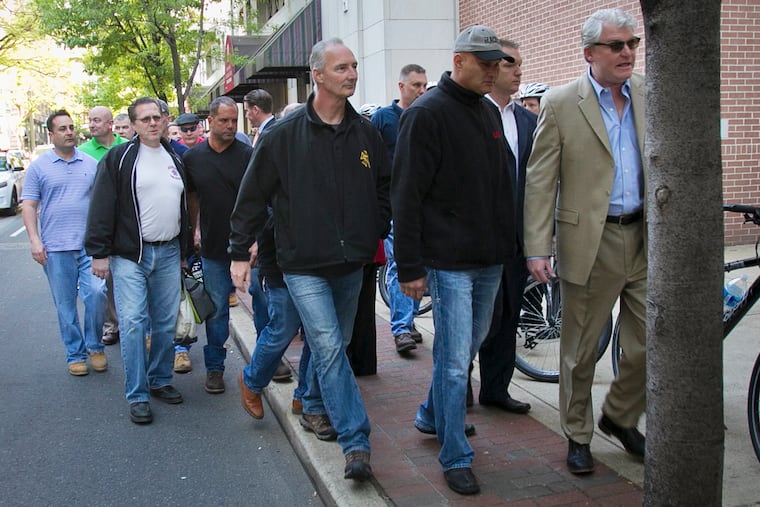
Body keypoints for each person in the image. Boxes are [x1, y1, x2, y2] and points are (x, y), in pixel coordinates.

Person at [230, 37, 391, 482]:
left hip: (351, 262)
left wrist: (374, 227)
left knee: (336, 344)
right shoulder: (283, 134)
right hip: (302, 265)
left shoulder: (366, 133)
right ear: (317, 75)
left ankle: (314, 401)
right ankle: (355, 441)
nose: (352, 74)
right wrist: (238, 252)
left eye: (354, 66)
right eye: (342, 68)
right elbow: (251, 196)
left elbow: (384, 186)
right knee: (327, 346)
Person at [392, 25, 516, 495]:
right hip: (448, 262)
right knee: (452, 359)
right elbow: (406, 195)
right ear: (459, 61)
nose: (493, 71)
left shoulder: (487, 110)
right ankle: (455, 454)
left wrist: (512, 245)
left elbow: (500, 184)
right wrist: (410, 266)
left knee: (465, 348)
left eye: (498, 64)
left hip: (490, 257)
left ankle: (431, 414)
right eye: (485, 63)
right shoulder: (425, 114)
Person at [524, 8, 647, 474]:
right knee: (580, 351)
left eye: (632, 43)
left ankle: (619, 416)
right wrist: (538, 247)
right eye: (617, 45)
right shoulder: (560, 103)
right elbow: (540, 181)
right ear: (589, 53)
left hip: (644, 238)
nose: (627, 52)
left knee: (647, 343)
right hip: (589, 242)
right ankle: (578, 434)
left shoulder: (648, 93)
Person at [85, 97, 192, 425]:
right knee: (132, 322)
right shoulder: (119, 158)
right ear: (132, 125)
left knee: (165, 322)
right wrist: (99, 253)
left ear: (164, 119)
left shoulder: (175, 156)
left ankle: (159, 379)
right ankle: (138, 394)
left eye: (156, 117)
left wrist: (184, 252)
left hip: (169, 251)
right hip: (130, 255)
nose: (152, 123)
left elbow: (184, 206)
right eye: (144, 119)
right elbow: (101, 205)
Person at [21, 110, 107, 376]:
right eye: (62, 129)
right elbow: (29, 205)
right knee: (65, 305)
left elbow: (102, 203)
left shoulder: (90, 163)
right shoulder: (39, 167)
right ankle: (75, 354)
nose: (69, 132)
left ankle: (95, 346)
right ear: (51, 134)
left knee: (97, 294)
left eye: (71, 127)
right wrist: (35, 241)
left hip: (89, 246)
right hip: (56, 248)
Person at [474, 39, 535, 415]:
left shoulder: (528, 120)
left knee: (509, 315)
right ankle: (456, 392)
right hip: (477, 242)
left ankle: (496, 388)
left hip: (516, 239)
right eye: (510, 63)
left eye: (520, 64)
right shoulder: (469, 113)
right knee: (475, 320)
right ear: (492, 66)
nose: (518, 71)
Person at [183, 96, 253, 394]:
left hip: (249, 248)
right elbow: (192, 197)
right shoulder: (193, 158)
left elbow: (259, 199)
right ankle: (215, 367)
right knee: (217, 312)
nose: (230, 126)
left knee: (265, 306)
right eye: (224, 120)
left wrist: (257, 241)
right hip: (212, 248)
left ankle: (269, 360)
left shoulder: (248, 155)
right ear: (209, 121)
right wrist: (195, 230)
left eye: (234, 120)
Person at [371, 63, 428, 354]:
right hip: (394, 207)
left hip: (424, 207)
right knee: (398, 263)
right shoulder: (383, 119)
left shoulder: (428, 116)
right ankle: (402, 328)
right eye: (416, 85)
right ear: (401, 86)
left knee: (419, 265)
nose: (421, 90)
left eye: (424, 86)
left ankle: (408, 320)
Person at [242, 88, 291, 382]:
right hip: (267, 240)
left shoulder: (272, 134)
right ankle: (262, 368)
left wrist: (259, 239)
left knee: (274, 308)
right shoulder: (263, 135)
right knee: (265, 300)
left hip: (274, 240)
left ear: (254, 109)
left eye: (246, 109)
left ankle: (266, 365)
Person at [78, 106, 129, 347]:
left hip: (128, 225)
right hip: (102, 225)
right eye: (90, 120)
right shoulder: (83, 153)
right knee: (104, 281)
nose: (92, 124)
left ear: (110, 124)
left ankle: (132, 324)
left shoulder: (127, 146)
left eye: (97, 120)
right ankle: (112, 325)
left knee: (128, 278)